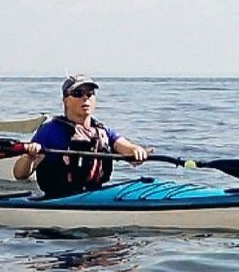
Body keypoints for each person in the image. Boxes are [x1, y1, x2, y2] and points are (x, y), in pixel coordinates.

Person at [14, 76, 149, 197]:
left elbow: (124, 146)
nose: (85, 98)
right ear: (65, 100)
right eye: (78, 94)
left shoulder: (102, 131)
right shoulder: (50, 130)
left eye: (90, 94)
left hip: (93, 195)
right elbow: (20, 174)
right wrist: (29, 157)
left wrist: (136, 151)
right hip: (57, 199)